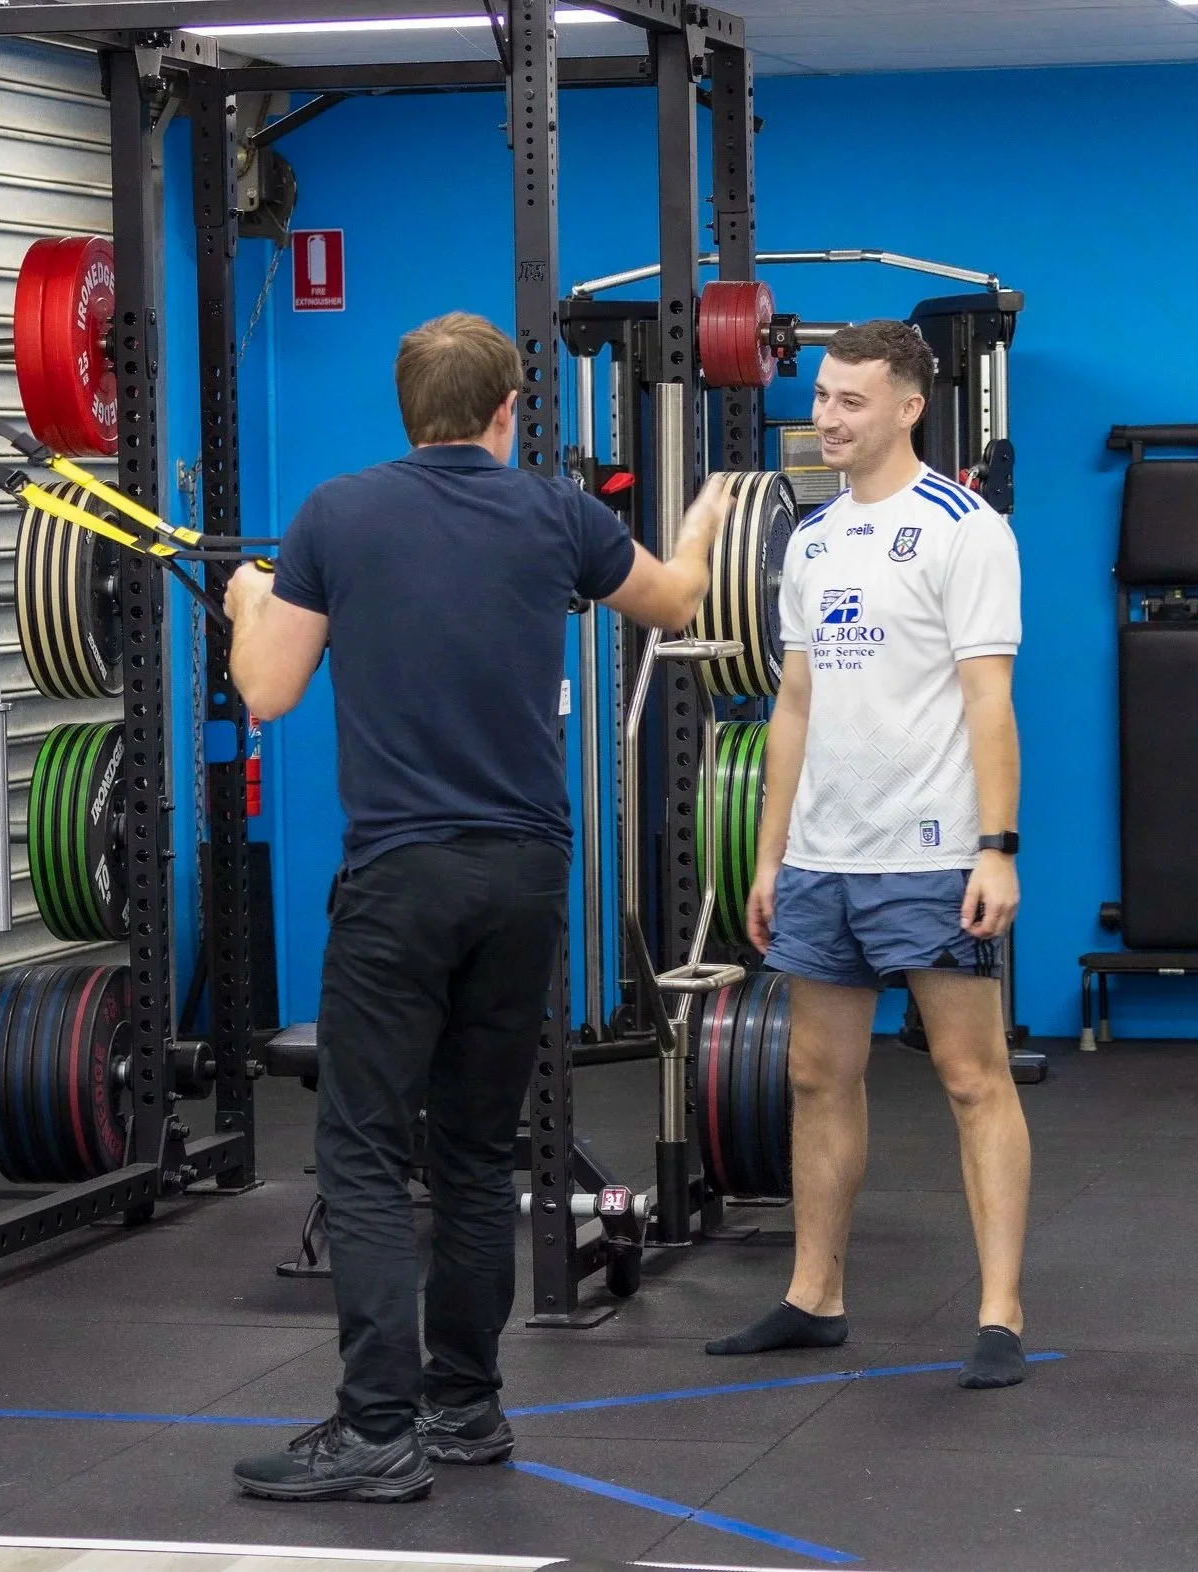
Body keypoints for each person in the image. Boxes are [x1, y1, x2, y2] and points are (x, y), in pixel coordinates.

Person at [223, 312, 734, 1502]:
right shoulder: (559, 512)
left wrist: (253, 598)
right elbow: (677, 603)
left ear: (407, 408)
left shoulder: (334, 516)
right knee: (466, 1154)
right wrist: (700, 521)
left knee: (357, 1152)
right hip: (524, 879)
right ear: (508, 408)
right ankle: (463, 1410)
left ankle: (375, 1427)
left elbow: (268, 690)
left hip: (402, 881)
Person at [706, 319, 1031, 1391]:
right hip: (821, 860)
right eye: (821, 396)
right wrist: (769, 853)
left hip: (932, 853)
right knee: (814, 1076)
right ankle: (815, 1296)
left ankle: (998, 1313)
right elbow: (793, 703)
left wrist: (997, 848)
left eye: (851, 399)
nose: (826, 417)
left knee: (971, 1078)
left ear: (908, 406)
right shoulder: (809, 539)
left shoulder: (964, 528)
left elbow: (991, 700)